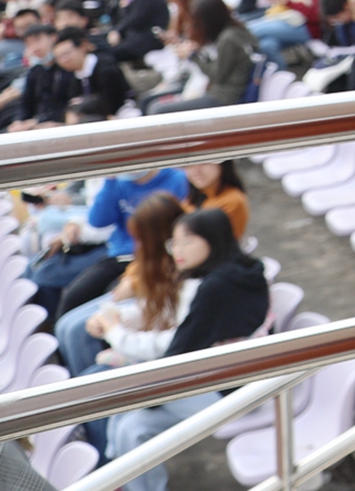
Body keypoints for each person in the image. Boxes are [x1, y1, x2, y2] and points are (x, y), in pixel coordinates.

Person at [103, 208, 269, 491]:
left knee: (130, 415)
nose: (178, 251)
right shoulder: (235, 272)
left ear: (213, 239)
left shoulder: (218, 287)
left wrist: (149, 394)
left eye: (187, 241)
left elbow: (182, 351)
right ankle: (119, 480)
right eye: (174, 243)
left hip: (231, 388)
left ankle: (118, 479)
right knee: (130, 421)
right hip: (226, 377)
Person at [32, 167, 192, 322]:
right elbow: (98, 220)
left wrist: (133, 281)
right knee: (72, 297)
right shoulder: (119, 183)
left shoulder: (176, 179)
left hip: (153, 258)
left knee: (106, 303)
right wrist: (110, 179)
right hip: (119, 256)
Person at [55, 191, 186, 378]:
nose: (138, 246)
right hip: (142, 333)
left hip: (160, 358)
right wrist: (117, 318)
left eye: (141, 240)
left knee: (78, 333)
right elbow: (150, 306)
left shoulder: (183, 274)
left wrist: (115, 331)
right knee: (69, 323)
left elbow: (168, 339)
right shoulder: (155, 263)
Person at [147, 0, 256, 114]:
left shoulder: (228, 39)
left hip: (225, 97)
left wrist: (192, 56)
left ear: (208, 19)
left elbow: (217, 76)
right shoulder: (234, 32)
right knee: (153, 105)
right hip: (221, 93)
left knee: (157, 110)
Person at [100, 0, 169, 67]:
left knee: (109, 53)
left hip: (150, 38)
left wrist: (124, 9)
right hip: (137, 36)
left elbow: (136, 20)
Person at [182, 160, 249, 238]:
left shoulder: (232, 201)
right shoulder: (189, 201)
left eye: (204, 162)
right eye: (190, 164)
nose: (196, 171)